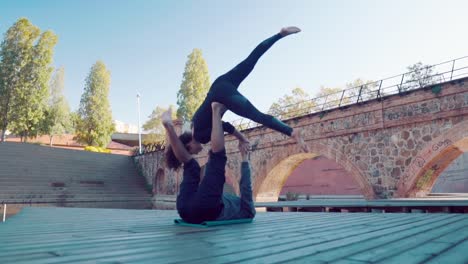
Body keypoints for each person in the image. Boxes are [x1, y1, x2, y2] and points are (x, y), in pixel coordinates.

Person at [190, 26, 308, 153]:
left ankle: (291, 131)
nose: (196, 153)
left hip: (221, 96)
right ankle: (280, 34)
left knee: (256, 116)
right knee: (250, 60)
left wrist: (242, 139)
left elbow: (225, 126)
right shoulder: (191, 126)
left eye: (192, 152)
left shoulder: (200, 137)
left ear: (188, 146)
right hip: (219, 83)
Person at [162, 103, 255, 224]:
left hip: (198, 208)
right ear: (189, 145)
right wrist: (241, 139)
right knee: (193, 164)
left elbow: (246, 187)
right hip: (185, 209)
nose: (201, 143)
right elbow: (245, 189)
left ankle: (216, 110)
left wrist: (244, 158)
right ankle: (170, 127)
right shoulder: (246, 211)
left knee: (215, 159)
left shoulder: (248, 211)